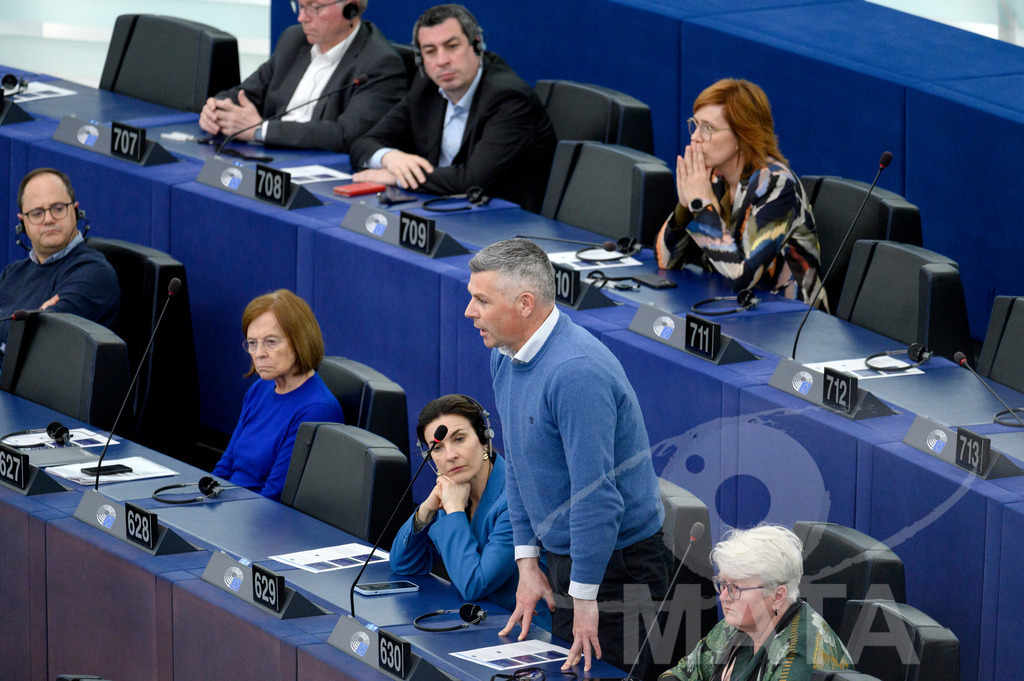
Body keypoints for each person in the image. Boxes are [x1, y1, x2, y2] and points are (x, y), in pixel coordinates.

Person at [465, 238, 671, 676]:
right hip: (568, 561)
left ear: (525, 303)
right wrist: (526, 562)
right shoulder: (506, 356)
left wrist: (586, 594)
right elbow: (519, 462)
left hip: (619, 568)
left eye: (481, 300)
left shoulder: (575, 372)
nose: (470, 311)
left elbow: (597, 499)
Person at [349, 4, 556, 212]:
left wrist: (399, 177)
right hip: (443, 208)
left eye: (452, 46)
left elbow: (472, 180)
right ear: (420, 59)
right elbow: (363, 144)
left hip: (505, 223)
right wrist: (389, 157)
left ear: (477, 45)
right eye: (430, 51)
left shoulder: (509, 98)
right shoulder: (427, 88)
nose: (441, 61)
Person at [656, 79, 823, 305]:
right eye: (695, 124)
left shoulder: (777, 185)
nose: (695, 137)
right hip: (731, 307)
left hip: (789, 321)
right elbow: (666, 263)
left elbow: (743, 278)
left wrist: (700, 206)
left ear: (742, 136)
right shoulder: (714, 177)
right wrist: (685, 206)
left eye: (707, 128)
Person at [389, 394, 550, 627]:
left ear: (484, 439)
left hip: (525, 632)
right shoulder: (454, 492)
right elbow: (405, 565)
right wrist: (426, 510)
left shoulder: (515, 498)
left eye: (460, 439)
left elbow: (475, 584)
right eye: (437, 448)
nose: (450, 456)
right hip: (477, 624)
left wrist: (453, 511)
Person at [199, 0, 406, 152]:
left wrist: (261, 130)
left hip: (318, 165)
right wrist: (217, 108)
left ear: (350, 10)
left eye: (314, 8)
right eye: (299, 5)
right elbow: (247, 92)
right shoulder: (294, 39)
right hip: (266, 154)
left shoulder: (380, 63)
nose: (302, 17)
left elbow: (348, 135)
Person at [661, 525, 853, 681]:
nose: (723, 596)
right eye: (723, 583)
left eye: (736, 588)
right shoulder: (740, 624)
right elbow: (687, 672)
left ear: (777, 596)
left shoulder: (798, 660)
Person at [212, 289, 343, 501]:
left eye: (271, 341)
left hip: (261, 522)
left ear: (300, 341)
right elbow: (225, 466)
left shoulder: (317, 409)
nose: (259, 353)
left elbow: (274, 496)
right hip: (228, 506)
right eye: (252, 343)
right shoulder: (259, 389)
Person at [1, 168, 119, 352]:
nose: (48, 219)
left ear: (75, 211)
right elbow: (22, 330)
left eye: (58, 208)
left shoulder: (93, 273)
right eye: (37, 213)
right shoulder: (12, 273)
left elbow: (41, 336)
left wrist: (26, 324)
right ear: (22, 222)